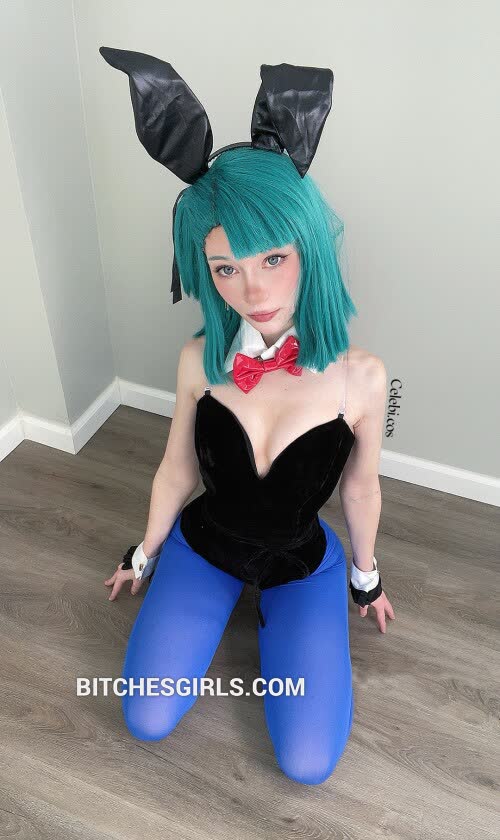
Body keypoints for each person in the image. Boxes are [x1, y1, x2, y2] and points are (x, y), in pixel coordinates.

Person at [100, 48, 395, 784]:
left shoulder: (362, 379)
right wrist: (144, 552)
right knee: (144, 716)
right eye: (226, 268)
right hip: (208, 542)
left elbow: (360, 487)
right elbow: (175, 469)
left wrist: (366, 577)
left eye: (271, 260)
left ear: (306, 251)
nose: (251, 291)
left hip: (299, 559)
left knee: (306, 765)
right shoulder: (197, 361)